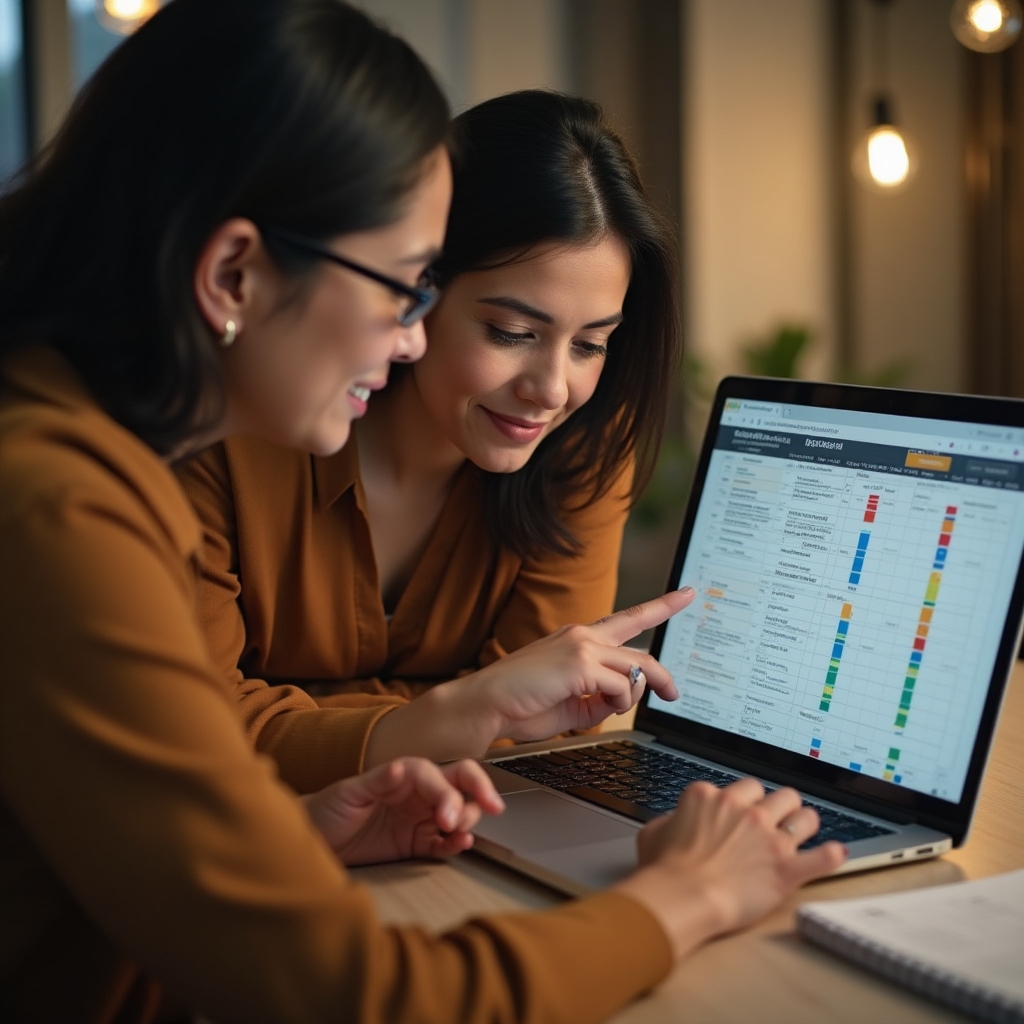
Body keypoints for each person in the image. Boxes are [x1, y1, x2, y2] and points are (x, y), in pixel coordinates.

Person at [0, 3, 845, 1023]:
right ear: (232, 275)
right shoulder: (59, 510)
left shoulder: (75, 452)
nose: (408, 341)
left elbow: (134, 839)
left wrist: (298, 828)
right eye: (405, 289)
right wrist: (685, 897)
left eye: (591, 342)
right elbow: (362, 996)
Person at [176, 89, 680, 705]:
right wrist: (470, 704)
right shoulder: (231, 431)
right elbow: (194, 720)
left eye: (590, 345)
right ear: (416, 290)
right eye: (511, 333)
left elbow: (555, 713)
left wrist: (293, 712)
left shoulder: (584, 451)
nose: (551, 390)